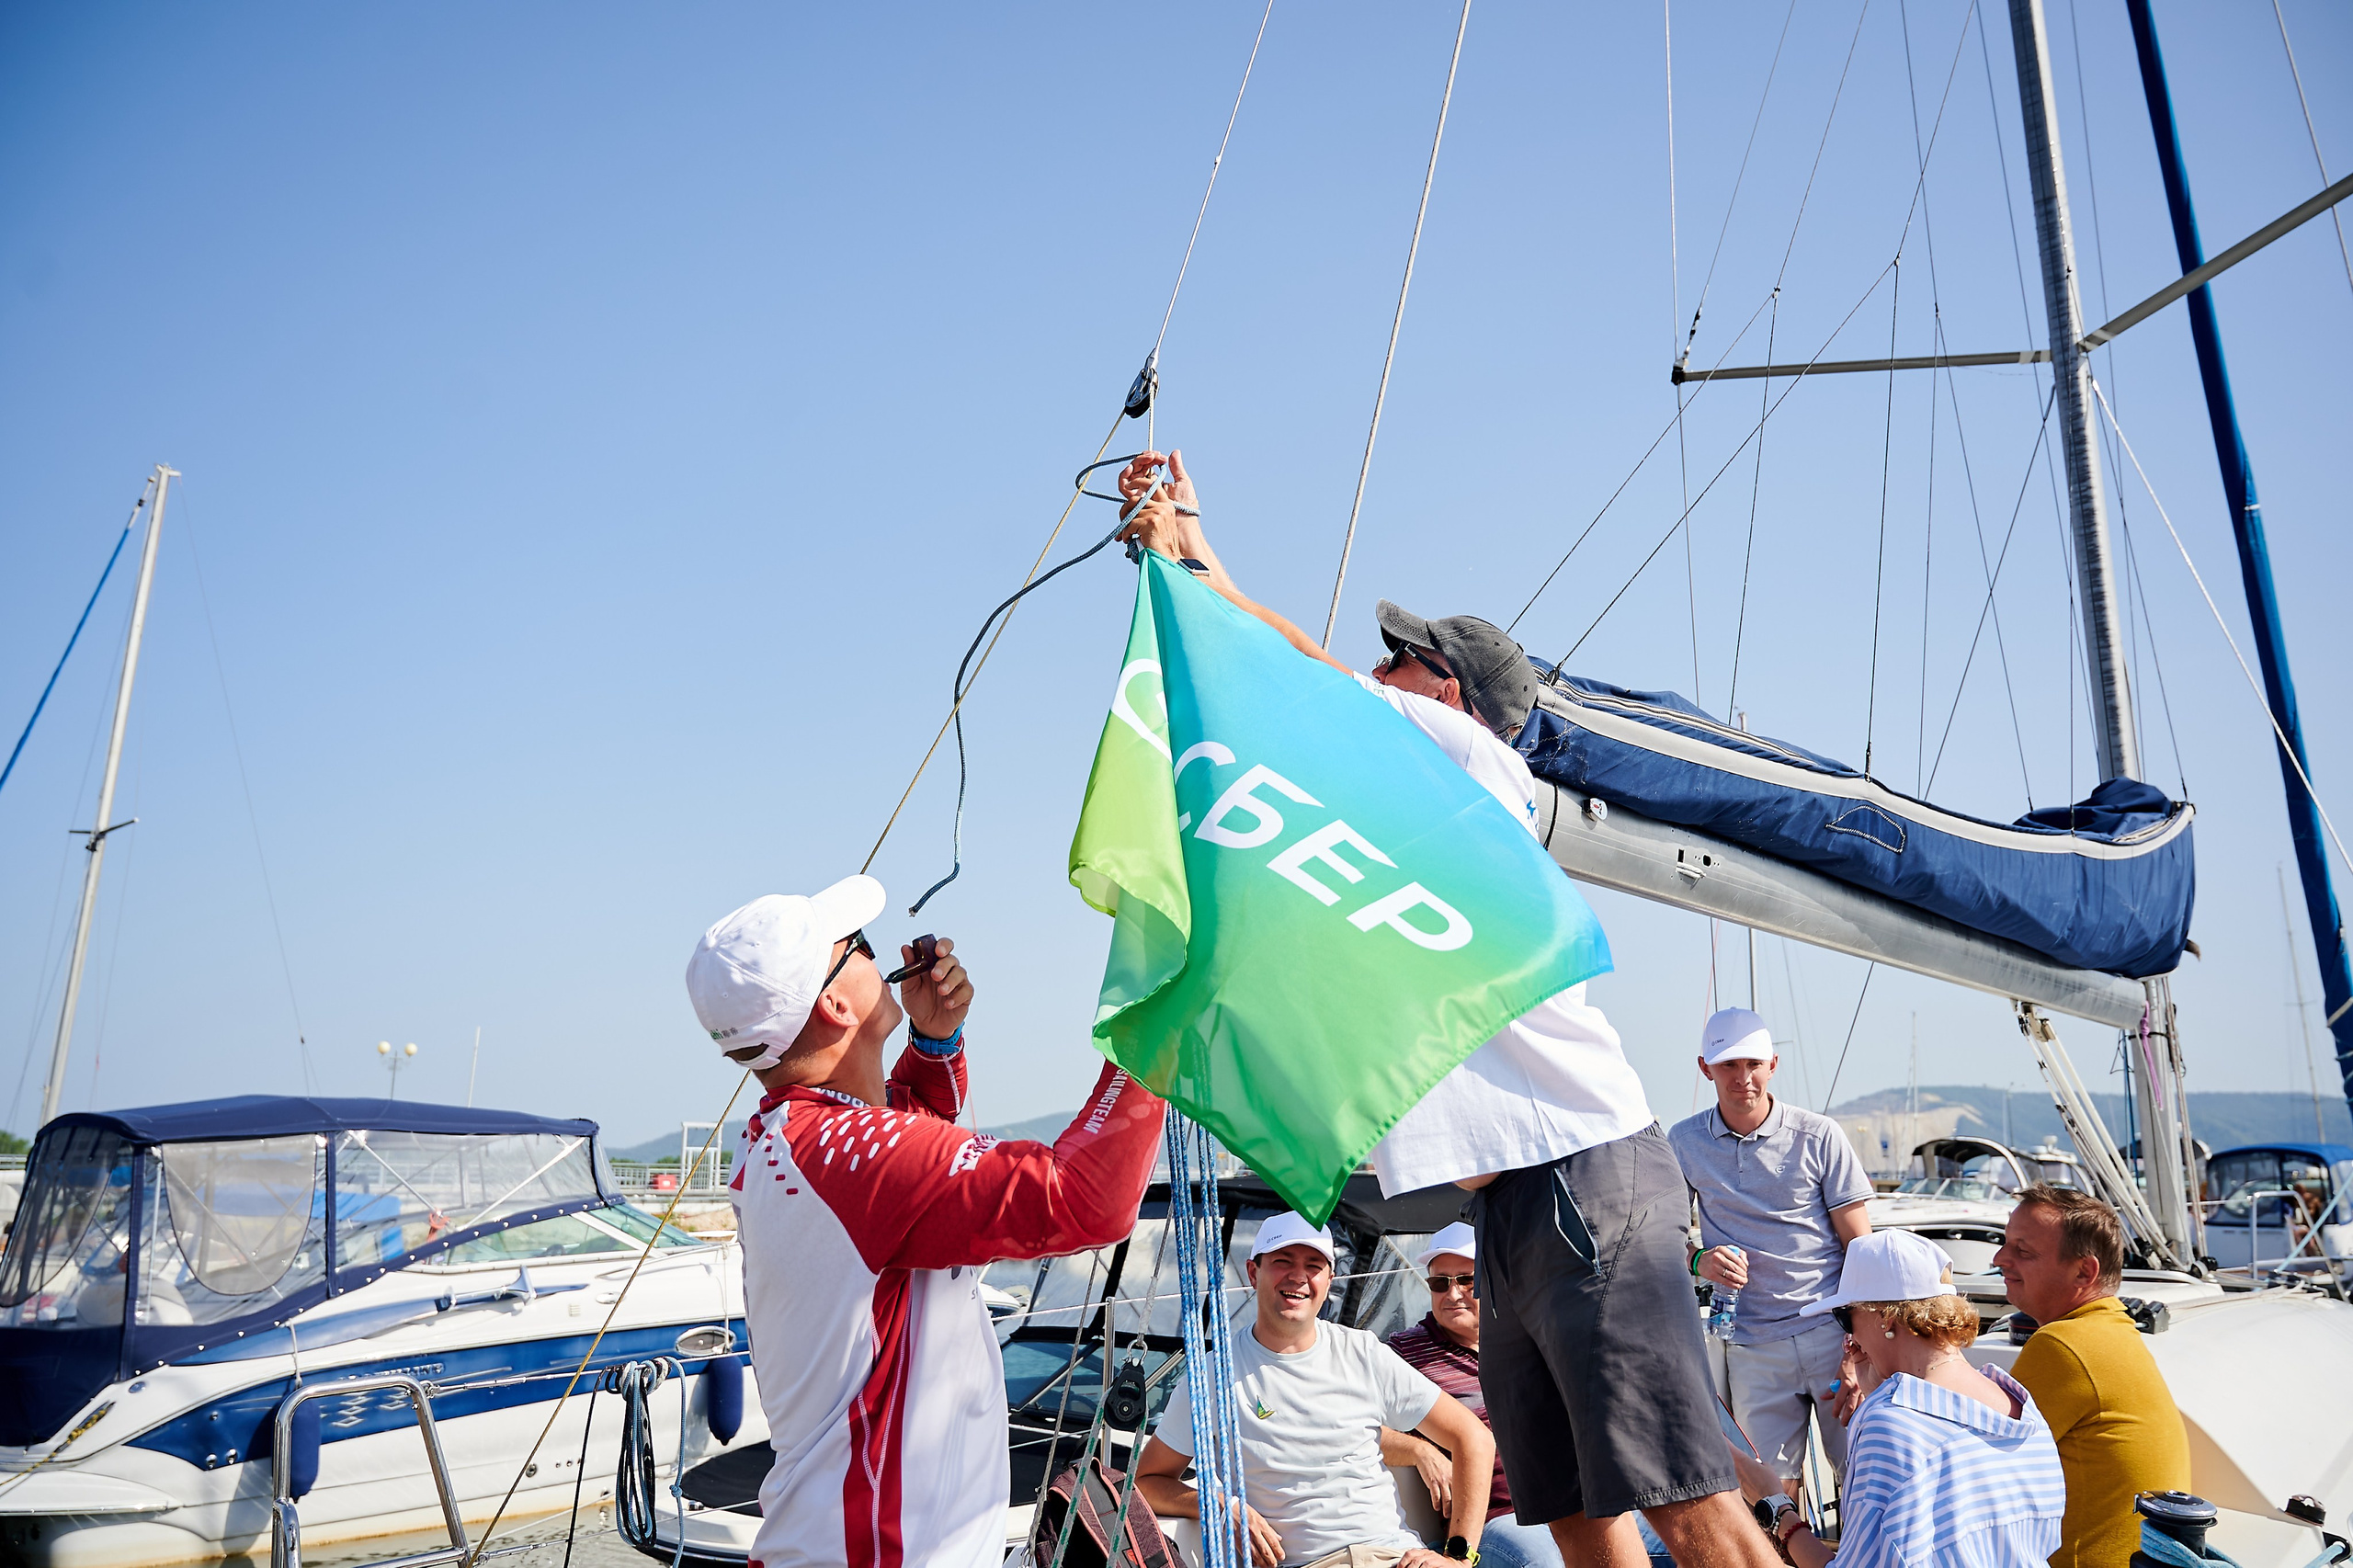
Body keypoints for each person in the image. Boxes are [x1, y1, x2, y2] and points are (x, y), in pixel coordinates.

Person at [1119, 452, 1772, 1568]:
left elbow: (1307, 681)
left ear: (1451, 697)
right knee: (1570, 1502)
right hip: (1515, 1202)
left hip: (1583, 1172)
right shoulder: (1403, 818)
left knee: (1682, 1496)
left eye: (1402, 661)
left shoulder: (1469, 765)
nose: (1380, 670)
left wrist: (1192, 556)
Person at [685, 876, 1165, 1568]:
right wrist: (1150, 1036)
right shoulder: (845, 1157)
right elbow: (1086, 1199)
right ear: (837, 1003)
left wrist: (934, 1046)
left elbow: (899, 1160)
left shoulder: (788, 1138)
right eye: (861, 949)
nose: (881, 962)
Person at [1136, 1211, 1496, 1567]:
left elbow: (1473, 1438)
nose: (1298, 1277)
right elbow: (1146, 1481)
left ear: (1329, 1279)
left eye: (1314, 1265)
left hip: (1394, 1556)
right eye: (1282, 1261)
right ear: (1252, 1273)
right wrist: (1219, 1504)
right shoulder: (1211, 1377)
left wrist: (1459, 1558)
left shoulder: (1363, 1352)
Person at [1734, 1229, 2066, 1568]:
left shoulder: (1890, 1422)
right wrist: (1879, 1385)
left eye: (1846, 1317)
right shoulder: (2023, 1411)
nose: (1848, 1337)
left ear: (1887, 1317)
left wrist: (1777, 1507)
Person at [1668, 1007, 1874, 1485]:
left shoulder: (1820, 1135)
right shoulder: (1682, 1141)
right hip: (1749, 1344)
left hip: (1831, 1333)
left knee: (1861, 1476)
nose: (1743, 1078)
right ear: (1706, 1068)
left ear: (1773, 1065)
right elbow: (1661, 1238)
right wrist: (1700, 1260)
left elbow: (1860, 1249)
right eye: (1729, 1066)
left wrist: (1858, 1346)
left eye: (1754, 1064)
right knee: (1769, 1491)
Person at [1993, 1185, 2191, 1568]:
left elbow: (1972, 1466)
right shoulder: (2112, 1330)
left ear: (2084, 1271)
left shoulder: (2063, 1344)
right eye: (2005, 1244)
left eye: (2023, 1251)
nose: (2000, 1258)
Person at [1384, 1223, 1563, 1568]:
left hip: (1572, 1505)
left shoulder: (1534, 1337)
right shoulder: (1402, 1353)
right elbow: (1353, 1425)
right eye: (1440, 1283)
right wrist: (1418, 1449)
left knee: (1683, 1533)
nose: (1452, 1295)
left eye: (1466, 1280)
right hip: (1497, 1521)